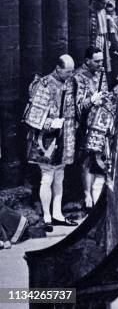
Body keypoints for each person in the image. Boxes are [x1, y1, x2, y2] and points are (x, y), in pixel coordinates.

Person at [24, 55, 78, 232]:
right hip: (46, 139)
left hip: (65, 135)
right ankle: (47, 216)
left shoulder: (70, 82)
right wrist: (50, 123)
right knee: (46, 177)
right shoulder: (45, 84)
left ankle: (57, 213)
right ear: (58, 68)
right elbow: (32, 115)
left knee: (60, 176)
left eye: (72, 71)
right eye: (68, 71)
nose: (70, 75)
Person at [83, 76, 118, 206]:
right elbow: (97, 130)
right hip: (102, 148)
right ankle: (97, 209)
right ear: (117, 90)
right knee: (100, 178)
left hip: (114, 147)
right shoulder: (104, 104)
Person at [73, 47, 108, 211]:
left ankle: (98, 193)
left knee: (100, 157)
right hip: (85, 124)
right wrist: (91, 100)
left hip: (101, 122)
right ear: (87, 61)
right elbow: (76, 105)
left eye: (101, 60)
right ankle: (87, 194)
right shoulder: (78, 77)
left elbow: (106, 93)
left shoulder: (101, 74)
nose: (100, 64)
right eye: (97, 61)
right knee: (87, 159)